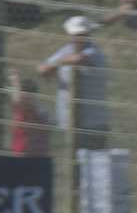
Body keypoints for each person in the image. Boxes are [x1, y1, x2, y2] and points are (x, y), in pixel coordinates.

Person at [37, 12, 109, 155]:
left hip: (93, 122)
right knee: (75, 161)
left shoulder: (94, 52)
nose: (78, 38)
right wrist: (52, 67)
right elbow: (42, 68)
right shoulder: (66, 51)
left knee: (93, 163)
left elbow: (78, 59)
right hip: (70, 118)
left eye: (82, 34)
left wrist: (57, 64)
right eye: (76, 35)